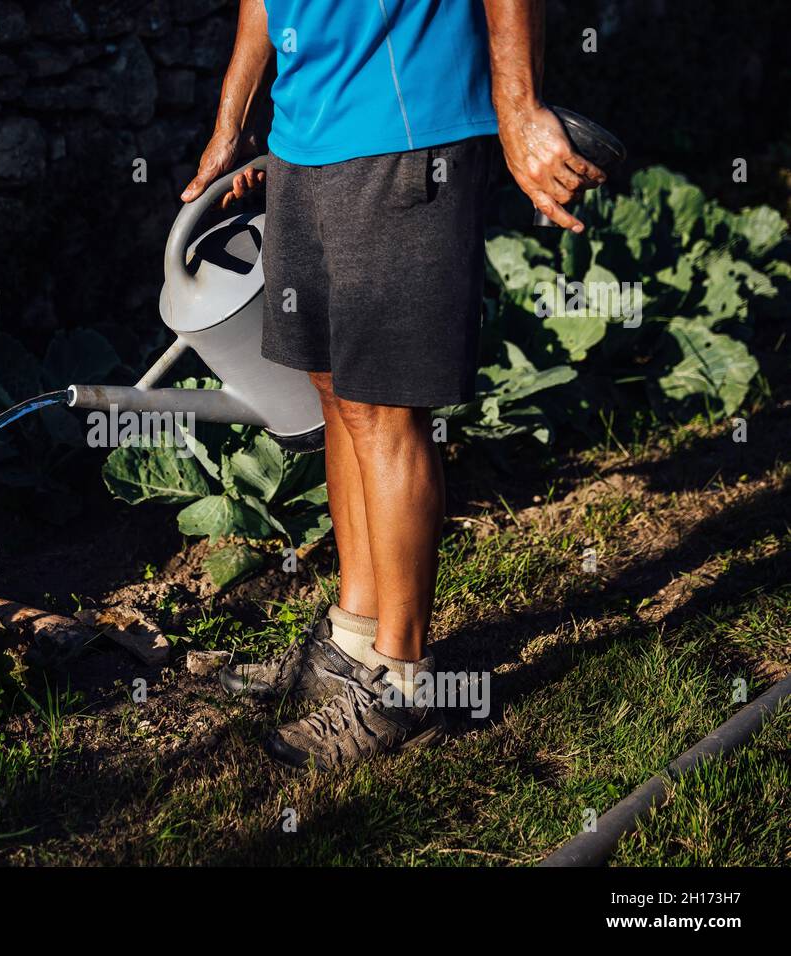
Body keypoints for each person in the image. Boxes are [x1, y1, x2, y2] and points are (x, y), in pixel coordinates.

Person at [182, 0, 606, 769]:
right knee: (336, 390)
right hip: (303, 137)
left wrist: (518, 109)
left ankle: (404, 680)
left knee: (383, 408)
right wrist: (232, 118)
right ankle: (353, 643)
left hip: (409, 133)